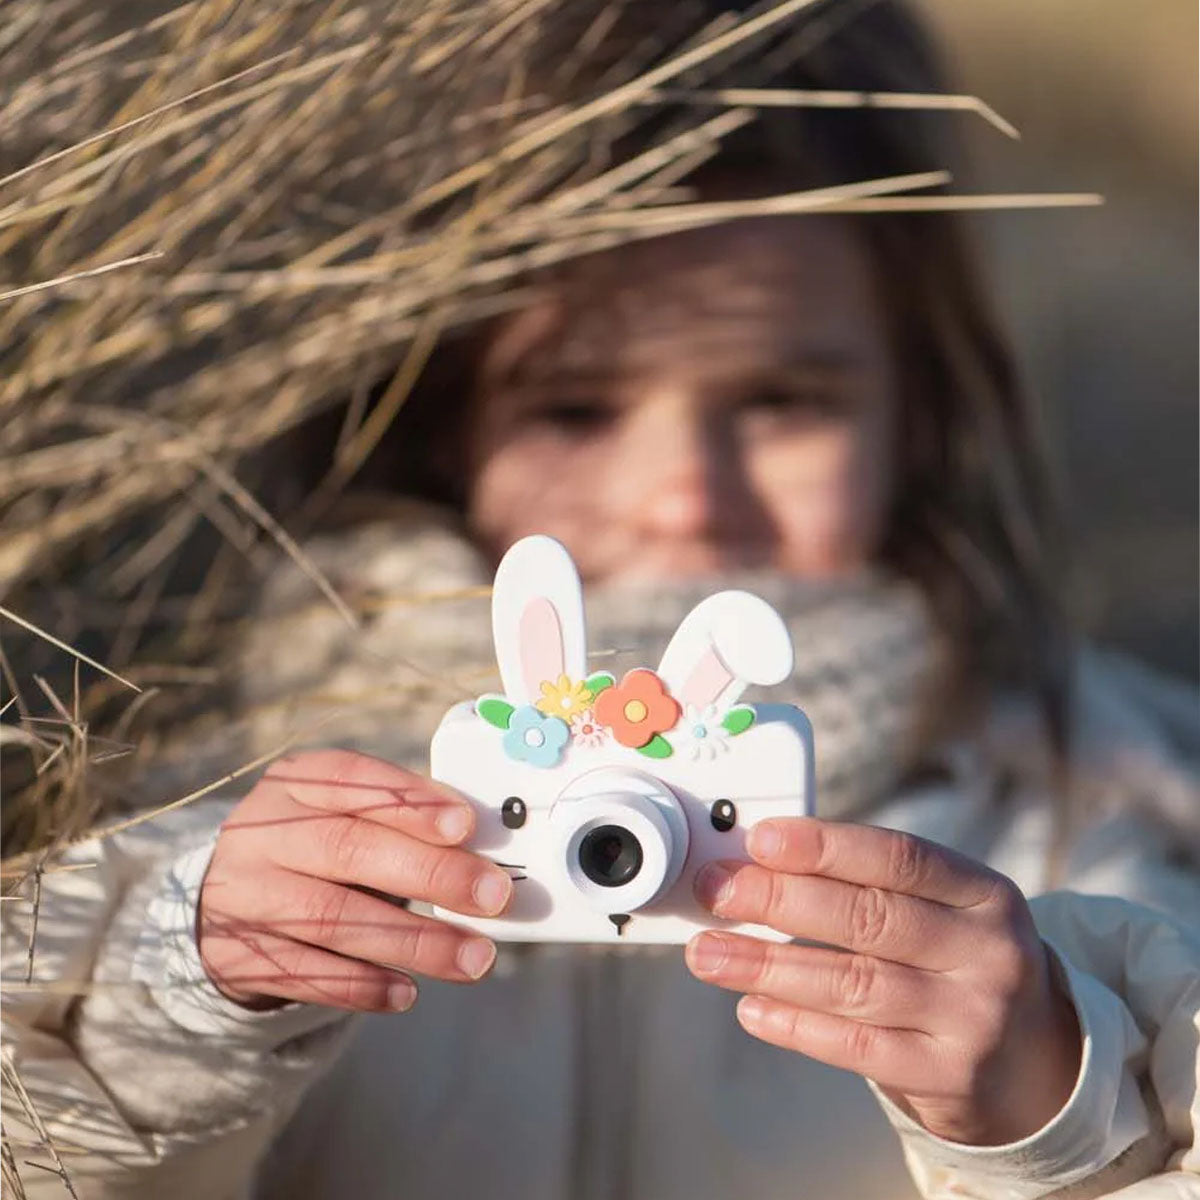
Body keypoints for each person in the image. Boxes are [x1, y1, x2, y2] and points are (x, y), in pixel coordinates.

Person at [3, 3, 1197, 1198]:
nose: (685, 499)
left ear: (918, 415)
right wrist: (183, 999)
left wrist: (1056, 1109)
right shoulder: (244, 800)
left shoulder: (1078, 814)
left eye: (784, 402)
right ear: (434, 428)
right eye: (574, 409)